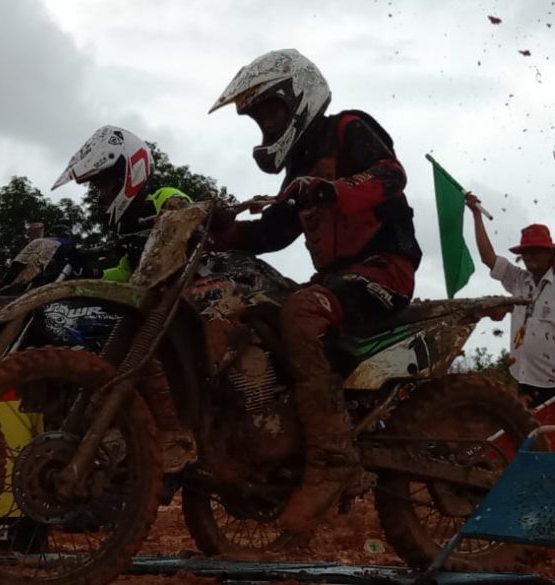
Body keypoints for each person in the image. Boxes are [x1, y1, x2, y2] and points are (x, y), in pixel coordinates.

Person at [208, 48, 422, 532]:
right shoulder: (297, 169)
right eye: (257, 118)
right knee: (257, 313)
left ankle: (332, 459)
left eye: (269, 111)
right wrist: (220, 231)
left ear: (298, 97)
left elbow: (392, 175)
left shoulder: (347, 129)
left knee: (300, 313)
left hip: (384, 270)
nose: (264, 125)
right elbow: (273, 233)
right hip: (336, 282)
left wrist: (331, 189)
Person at [52, 125, 196, 472]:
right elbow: (128, 271)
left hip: (194, 299)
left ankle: (177, 435)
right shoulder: (124, 225)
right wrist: (94, 275)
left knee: (143, 348)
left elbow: (189, 226)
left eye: (103, 184)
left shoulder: (163, 197)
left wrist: (175, 216)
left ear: (127, 171)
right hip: (156, 307)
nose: (100, 195)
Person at [465, 192, 555, 449]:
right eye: (526, 252)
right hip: (524, 377)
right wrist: (476, 215)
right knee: (526, 441)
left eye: (536, 251)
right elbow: (489, 258)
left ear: (549, 254)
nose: (529, 256)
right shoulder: (519, 280)